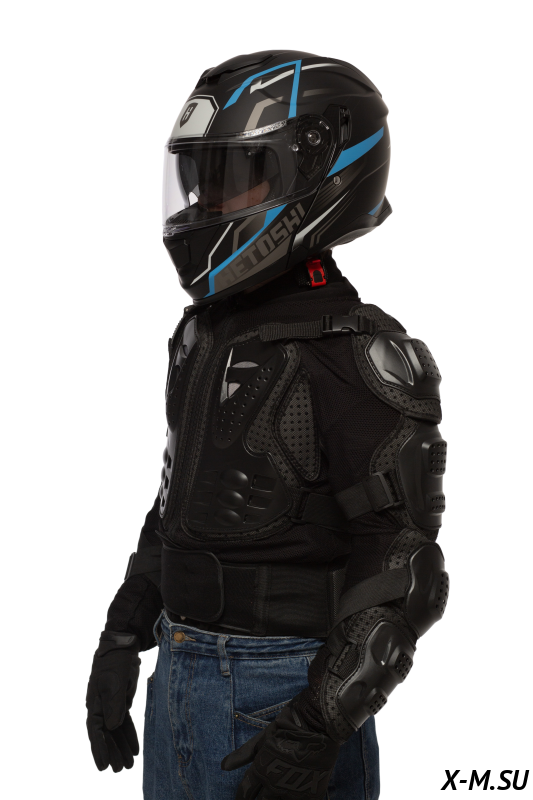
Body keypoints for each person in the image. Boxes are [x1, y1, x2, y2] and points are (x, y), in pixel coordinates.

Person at [86, 50, 449, 800]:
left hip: (283, 690)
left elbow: (405, 565)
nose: (205, 202)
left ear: (315, 171)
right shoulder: (205, 333)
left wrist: (318, 723)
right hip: (180, 669)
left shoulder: (353, 351)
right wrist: (123, 636)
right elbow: (179, 508)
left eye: (235, 177)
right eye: (201, 177)